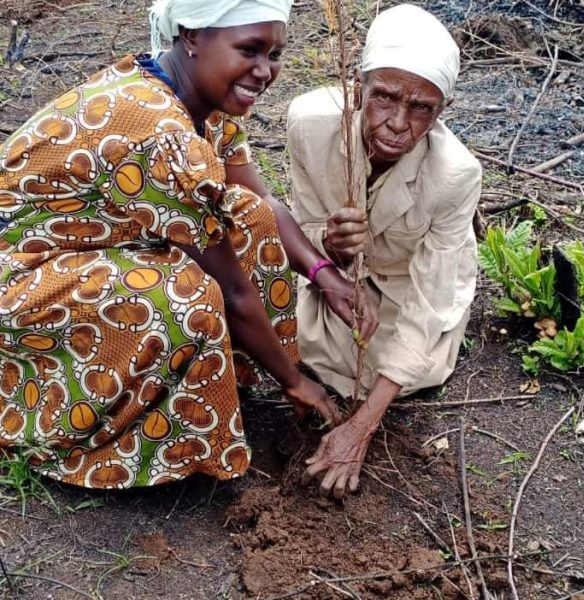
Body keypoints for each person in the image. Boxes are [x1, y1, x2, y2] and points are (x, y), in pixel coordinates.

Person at [0, 0, 378, 489]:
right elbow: (235, 294)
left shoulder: (203, 99)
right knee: (190, 296)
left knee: (251, 218)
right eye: (250, 50)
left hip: (80, 253)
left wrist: (325, 275)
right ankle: (68, 426)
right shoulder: (157, 131)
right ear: (192, 36)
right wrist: (295, 382)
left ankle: (216, 377)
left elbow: (262, 202)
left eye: (276, 53)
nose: (264, 71)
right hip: (20, 288)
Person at [288, 4, 482, 499]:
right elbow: (302, 224)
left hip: (403, 288)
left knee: (409, 365)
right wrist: (331, 250)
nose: (398, 123)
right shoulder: (310, 124)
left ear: (441, 113)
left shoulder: (455, 176)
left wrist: (361, 428)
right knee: (274, 315)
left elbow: (431, 298)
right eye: (385, 98)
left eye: (422, 109)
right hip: (337, 282)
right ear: (359, 89)